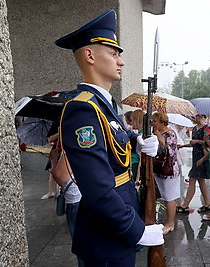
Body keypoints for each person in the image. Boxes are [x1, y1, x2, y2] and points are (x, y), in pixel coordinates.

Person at [55, 9, 163, 266]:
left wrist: (138, 139)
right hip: (106, 232)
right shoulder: (82, 109)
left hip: (117, 223)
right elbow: (98, 189)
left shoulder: (104, 105)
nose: (121, 61)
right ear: (90, 55)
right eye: (114, 54)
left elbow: (117, 135)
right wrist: (135, 229)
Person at [51, 153, 84, 267]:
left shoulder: (70, 148)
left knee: (81, 246)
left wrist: (54, 160)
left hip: (76, 201)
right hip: (90, 196)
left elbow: (60, 176)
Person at [177, 114, 210, 214]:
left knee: (192, 179)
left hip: (202, 157)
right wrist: (183, 145)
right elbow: (193, 143)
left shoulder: (206, 128)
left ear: (203, 117)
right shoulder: (194, 128)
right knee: (201, 181)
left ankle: (186, 204)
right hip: (196, 156)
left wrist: (197, 141)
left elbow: (209, 142)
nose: (195, 119)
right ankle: (207, 203)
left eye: (198, 117)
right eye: (195, 117)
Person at [152, 112, 180, 234]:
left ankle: (170, 223)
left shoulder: (170, 133)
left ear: (162, 122)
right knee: (164, 195)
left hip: (169, 169)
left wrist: (158, 137)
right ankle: (168, 221)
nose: (152, 123)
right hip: (159, 168)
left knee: (170, 196)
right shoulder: (158, 133)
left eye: (154, 121)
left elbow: (169, 151)